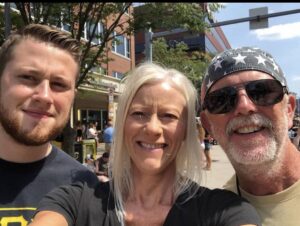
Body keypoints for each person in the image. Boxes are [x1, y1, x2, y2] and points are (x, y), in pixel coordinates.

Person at [29, 62, 261, 226]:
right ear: (123, 123)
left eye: (168, 116)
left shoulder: (224, 211)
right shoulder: (73, 201)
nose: (152, 128)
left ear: (185, 131)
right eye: (139, 113)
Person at [0, 24, 98, 224]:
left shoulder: (87, 188)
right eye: (28, 77)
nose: (44, 96)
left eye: (59, 85)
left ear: (72, 97)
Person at [200, 46, 299, 226]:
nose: (244, 106)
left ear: (289, 110)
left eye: (262, 91)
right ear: (209, 125)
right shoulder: (212, 216)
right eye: (222, 99)